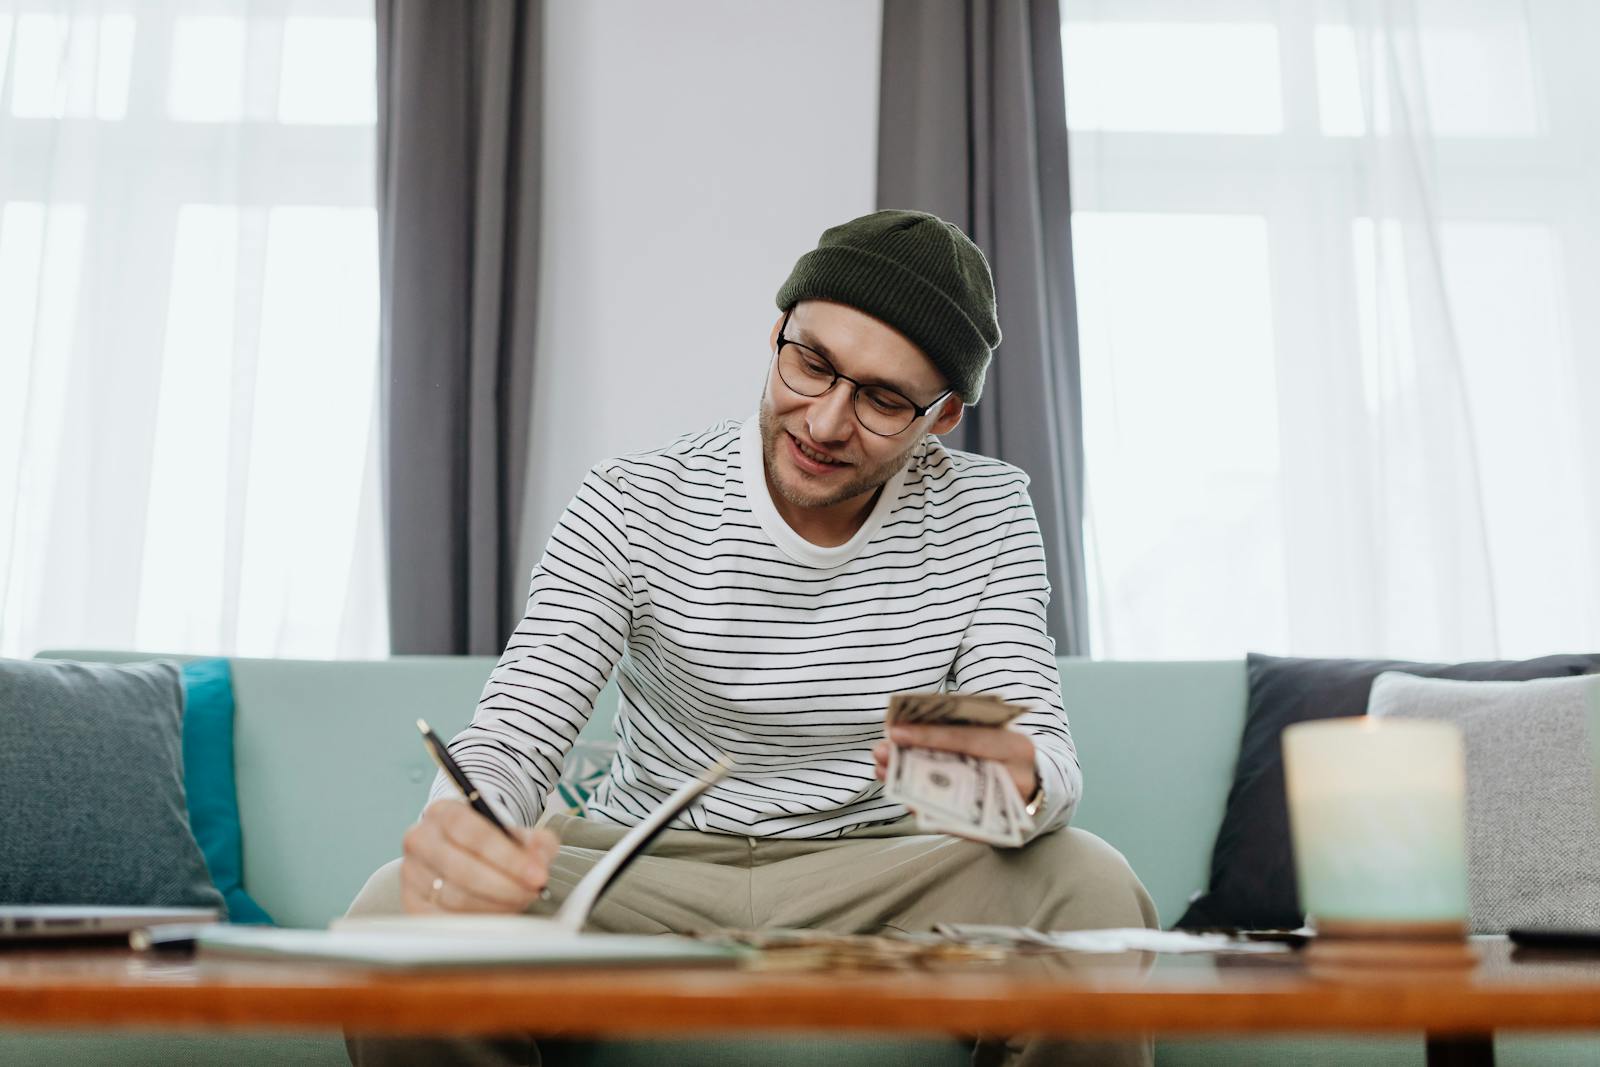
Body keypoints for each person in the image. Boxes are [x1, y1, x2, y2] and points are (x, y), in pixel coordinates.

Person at [347, 210, 1156, 1066]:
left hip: (880, 867)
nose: (827, 422)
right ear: (778, 331)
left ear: (942, 416)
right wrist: (462, 830)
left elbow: (1047, 769)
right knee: (395, 910)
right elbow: (516, 734)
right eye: (811, 364)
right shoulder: (632, 498)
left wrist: (1006, 777)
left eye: (883, 399)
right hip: (642, 870)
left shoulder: (985, 514)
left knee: (1094, 887)